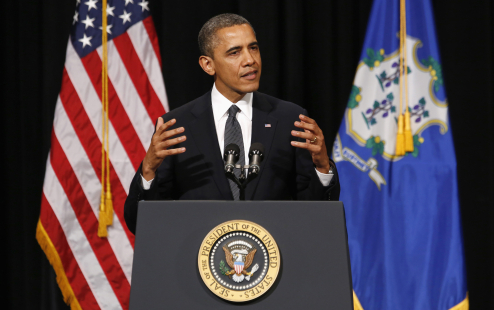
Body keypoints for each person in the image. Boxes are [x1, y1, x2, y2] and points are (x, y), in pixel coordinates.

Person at [124, 13, 340, 234]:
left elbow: (316, 216)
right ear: (208, 65)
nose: (250, 60)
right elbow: (140, 223)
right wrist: (148, 169)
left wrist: (322, 167)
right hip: (197, 262)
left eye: (253, 48)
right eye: (235, 52)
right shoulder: (178, 126)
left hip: (274, 260)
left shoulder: (289, 119)